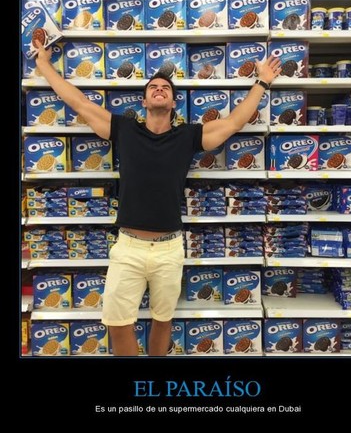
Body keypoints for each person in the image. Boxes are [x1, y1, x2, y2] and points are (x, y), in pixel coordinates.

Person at [35, 42, 281, 356]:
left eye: (165, 87)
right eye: (153, 87)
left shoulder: (189, 135)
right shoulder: (124, 130)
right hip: (128, 248)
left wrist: (262, 82)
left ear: (174, 101)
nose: (159, 89)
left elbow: (234, 122)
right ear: (144, 101)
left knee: (162, 321)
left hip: (169, 248)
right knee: (118, 323)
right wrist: (44, 65)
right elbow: (79, 103)